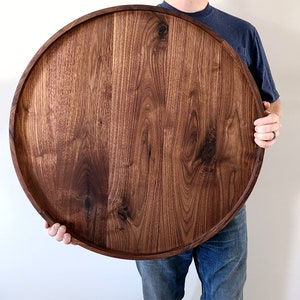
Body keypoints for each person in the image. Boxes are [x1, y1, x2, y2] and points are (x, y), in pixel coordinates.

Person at [46, 1, 282, 299]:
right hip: (149, 212)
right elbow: (92, 122)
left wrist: (270, 125)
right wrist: (65, 207)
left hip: (226, 199)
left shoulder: (242, 32)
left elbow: (269, 101)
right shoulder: (130, 26)